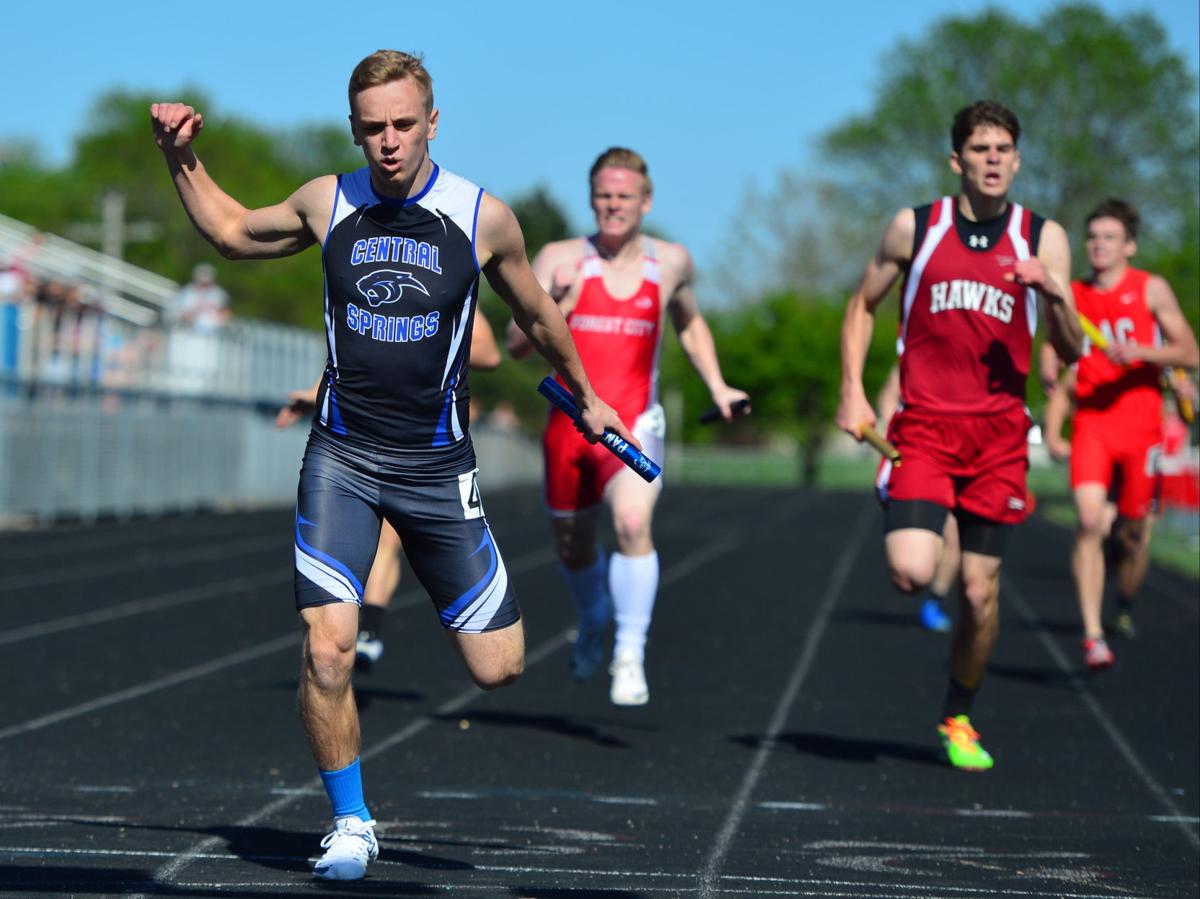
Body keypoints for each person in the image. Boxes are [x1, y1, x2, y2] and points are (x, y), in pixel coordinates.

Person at [151, 49, 636, 882]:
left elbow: (538, 311)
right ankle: (350, 819)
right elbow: (233, 234)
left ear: (432, 122)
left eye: (403, 123)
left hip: (436, 465)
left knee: (499, 667)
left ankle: (551, 604)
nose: (388, 141)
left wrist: (587, 392)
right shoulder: (327, 201)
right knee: (329, 649)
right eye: (372, 127)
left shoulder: (483, 217)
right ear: (354, 129)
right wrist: (179, 156)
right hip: (342, 455)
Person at [835, 100, 1083, 771]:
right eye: (980, 148)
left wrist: (1053, 292)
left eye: (1004, 148)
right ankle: (908, 490)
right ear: (957, 160)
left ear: (1018, 159)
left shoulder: (1042, 236)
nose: (994, 158)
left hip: (1001, 437)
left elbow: (1075, 345)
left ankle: (959, 713)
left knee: (978, 592)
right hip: (925, 426)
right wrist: (852, 389)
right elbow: (862, 304)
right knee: (912, 573)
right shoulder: (915, 227)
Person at [507, 147, 749, 707]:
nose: (613, 206)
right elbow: (516, 346)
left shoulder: (671, 264)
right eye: (603, 196)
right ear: (591, 198)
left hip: (633, 422)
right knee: (572, 548)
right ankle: (594, 618)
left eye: (624, 196)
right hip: (568, 428)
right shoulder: (558, 259)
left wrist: (718, 386)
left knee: (633, 521)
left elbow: (690, 324)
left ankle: (629, 653)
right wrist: (556, 303)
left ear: (646, 200)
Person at [276, 307, 503, 672]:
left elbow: (490, 354)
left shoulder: (450, 277)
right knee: (378, 541)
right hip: (359, 442)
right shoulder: (363, 280)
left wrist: (422, 338)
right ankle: (361, 631)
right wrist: (312, 394)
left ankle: (371, 629)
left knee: (391, 542)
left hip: (423, 444)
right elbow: (356, 368)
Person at [1041, 199, 1198, 669]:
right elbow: (1054, 342)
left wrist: (1143, 352)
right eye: (1092, 237)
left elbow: (1189, 351)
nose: (1098, 245)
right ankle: (1092, 637)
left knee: (1132, 534)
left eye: (1109, 237)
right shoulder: (1072, 293)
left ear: (1129, 245)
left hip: (1142, 428)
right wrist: (1049, 367)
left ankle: (1123, 605)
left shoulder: (1151, 289)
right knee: (1088, 522)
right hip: (1092, 423)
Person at [877, 365, 954, 632]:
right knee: (909, 571)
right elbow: (888, 395)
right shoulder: (915, 348)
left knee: (956, 537)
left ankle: (936, 601)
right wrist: (893, 438)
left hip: (967, 447)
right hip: (921, 446)